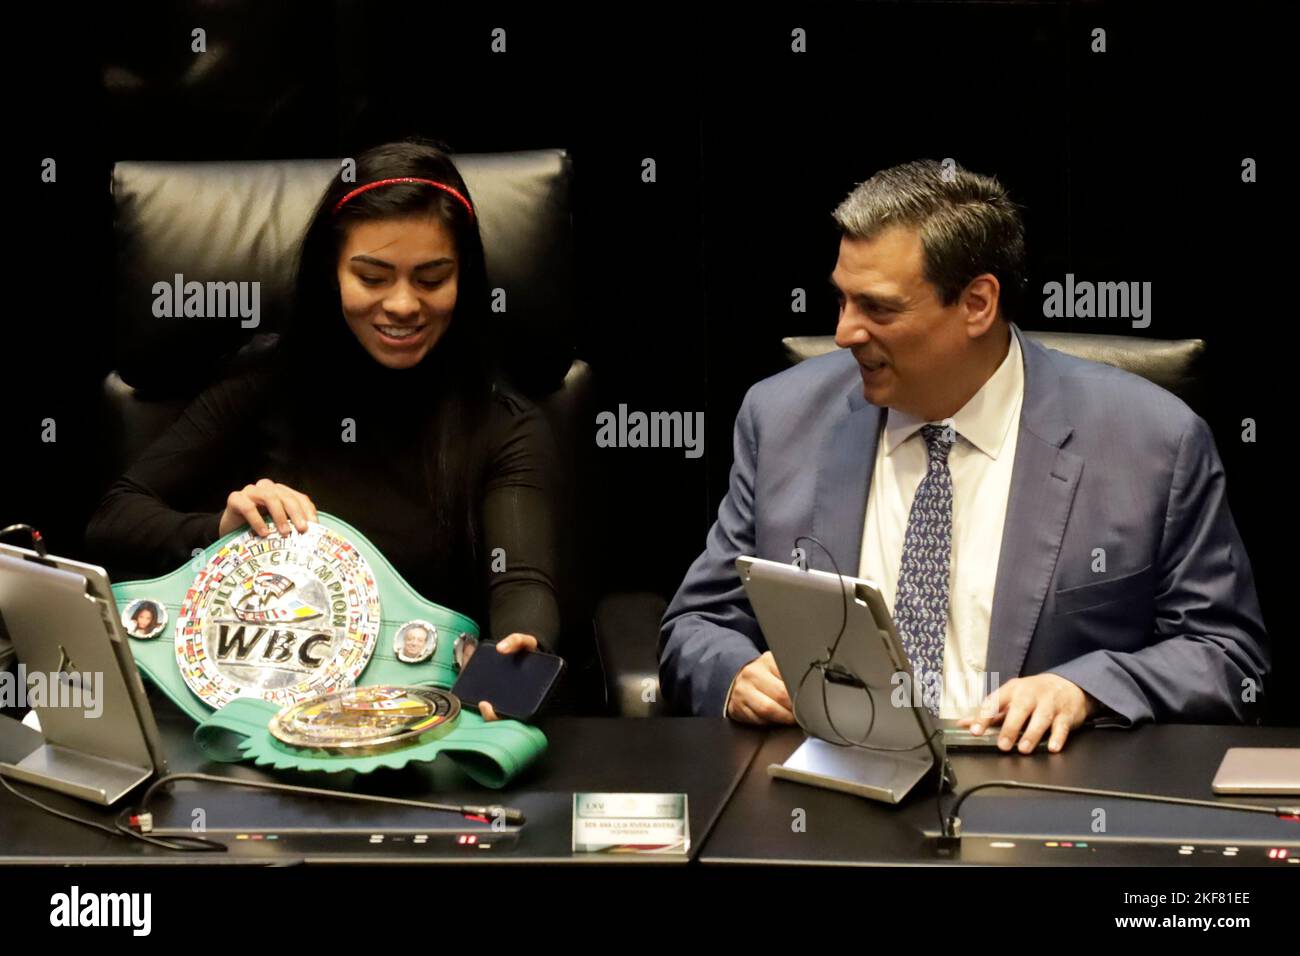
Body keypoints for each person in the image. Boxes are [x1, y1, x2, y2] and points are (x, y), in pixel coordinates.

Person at [659, 159, 1268, 753]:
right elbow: (696, 627)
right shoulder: (783, 419)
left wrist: (1085, 688)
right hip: (829, 790)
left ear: (977, 304)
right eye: (842, 300)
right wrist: (736, 677)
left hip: (1036, 794)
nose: (844, 333)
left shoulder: (1152, 443)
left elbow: (1226, 656)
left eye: (878, 307)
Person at [87, 140, 562, 721]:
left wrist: (516, 659)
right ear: (332, 274)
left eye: (432, 278)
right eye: (372, 276)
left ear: (464, 279)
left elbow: (520, 583)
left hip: (408, 724)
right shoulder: (268, 380)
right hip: (244, 719)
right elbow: (113, 517)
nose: (404, 304)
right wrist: (218, 529)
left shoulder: (502, 423)